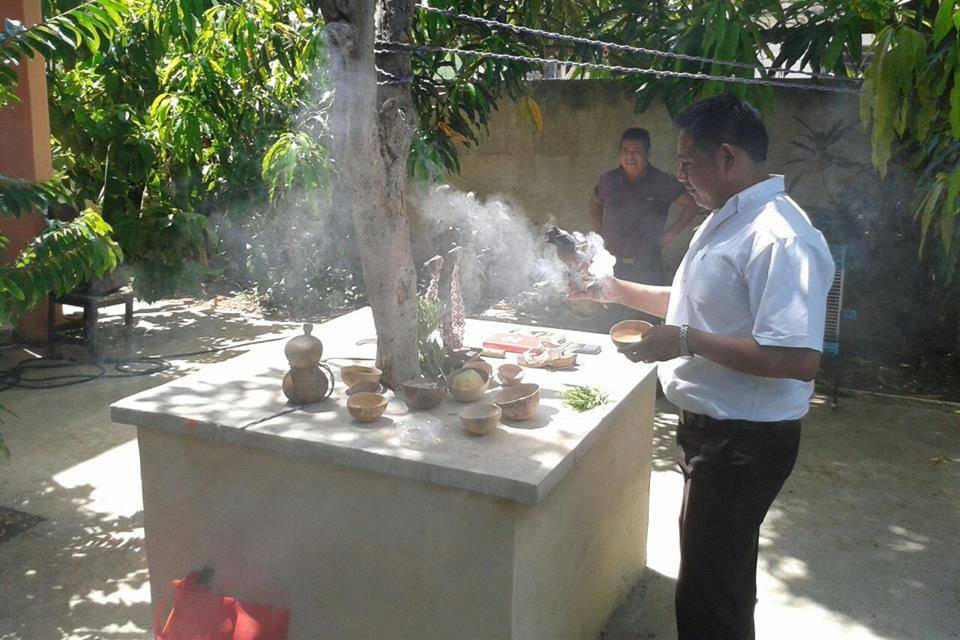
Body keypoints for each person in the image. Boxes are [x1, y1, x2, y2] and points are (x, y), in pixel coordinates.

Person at [575, 94, 835, 639]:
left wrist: (685, 342)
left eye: (687, 162)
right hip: (715, 437)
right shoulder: (727, 220)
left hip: (743, 443)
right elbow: (691, 302)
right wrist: (613, 290)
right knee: (720, 579)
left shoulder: (780, 237)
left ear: (725, 157)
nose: (680, 175)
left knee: (706, 596)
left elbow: (799, 358)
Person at [591, 127, 699, 285]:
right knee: (611, 306)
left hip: (648, 264)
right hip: (612, 262)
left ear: (647, 154)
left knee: (647, 308)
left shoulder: (662, 181)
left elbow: (692, 203)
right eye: (625, 150)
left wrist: (674, 232)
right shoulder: (609, 180)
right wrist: (599, 233)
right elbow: (595, 202)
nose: (630, 156)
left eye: (636, 151)